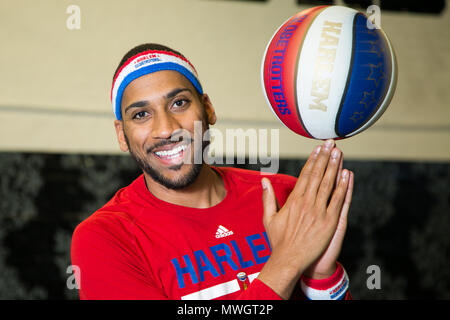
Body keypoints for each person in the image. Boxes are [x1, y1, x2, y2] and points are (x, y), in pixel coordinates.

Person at [71, 43, 354, 300]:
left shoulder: (286, 196)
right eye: (141, 114)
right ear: (122, 134)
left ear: (208, 108)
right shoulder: (105, 238)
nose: (166, 129)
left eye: (179, 103)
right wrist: (286, 262)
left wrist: (323, 276)